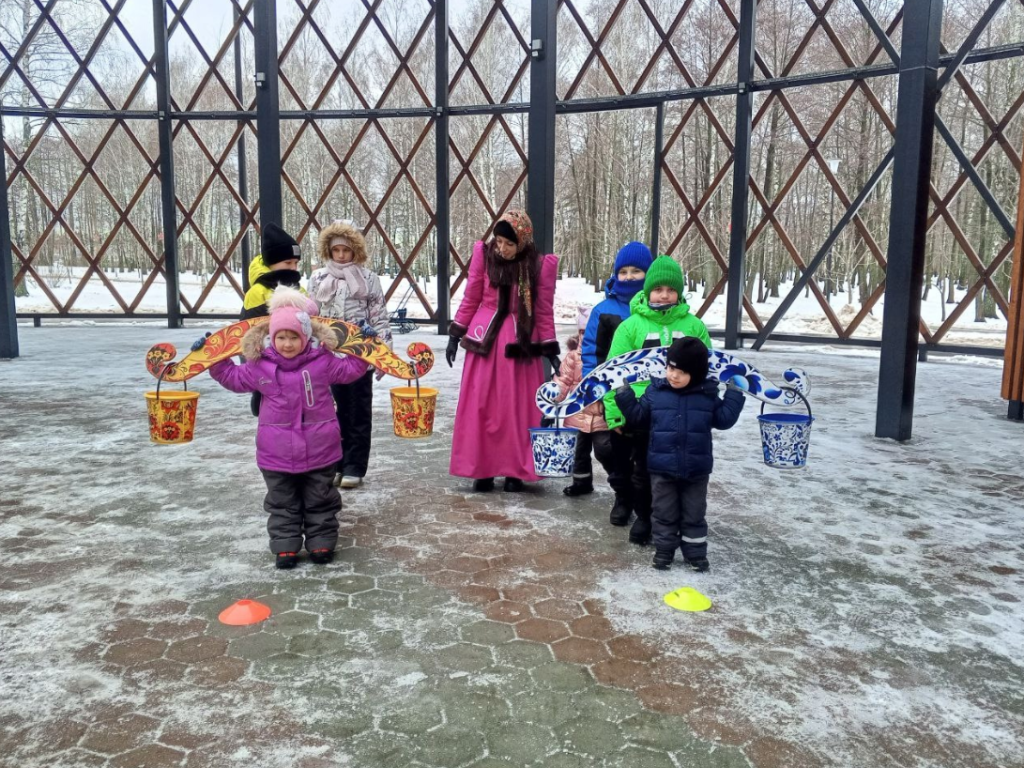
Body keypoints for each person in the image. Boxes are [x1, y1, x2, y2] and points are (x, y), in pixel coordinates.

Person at [209, 287, 369, 569]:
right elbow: (233, 378)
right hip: (276, 452)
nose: (287, 343)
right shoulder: (259, 365)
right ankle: (285, 546)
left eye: (293, 337)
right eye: (281, 337)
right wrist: (215, 357)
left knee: (321, 499)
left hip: (321, 448)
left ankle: (321, 542)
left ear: (305, 337)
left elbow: (350, 371)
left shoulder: (323, 362)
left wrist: (364, 348)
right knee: (282, 502)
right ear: (271, 337)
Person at [446, 209, 559, 492]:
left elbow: (543, 309)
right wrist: (455, 333)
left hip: (521, 345)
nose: (502, 248)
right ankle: (481, 469)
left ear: (522, 241)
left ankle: (514, 471)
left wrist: (550, 348)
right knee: (480, 405)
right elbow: (471, 296)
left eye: (509, 244)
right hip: (485, 342)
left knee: (516, 409)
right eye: (499, 242)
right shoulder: (484, 257)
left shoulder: (539, 265)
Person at [603, 255, 712, 546]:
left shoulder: (694, 326)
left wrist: (707, 405)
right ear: (648, 290)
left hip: (683, 413)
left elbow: (708, 369)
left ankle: (677, 519)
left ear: (679, 292)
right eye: (658, 289)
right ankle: (645, 517)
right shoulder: (631, 327)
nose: (664, 295)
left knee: (679, 472)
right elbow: (614, 374)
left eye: (671, 289)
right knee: (642, 472)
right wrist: (615, 413)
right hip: (643, 412)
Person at [614, 337, 744, 571]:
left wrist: (734, 395)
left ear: (696, 374)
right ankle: (664, 550)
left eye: (682, 372)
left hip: (696, 469)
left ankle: (695, 554)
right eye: (671, 368)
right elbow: (638, 417)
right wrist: (624, 394)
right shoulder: (656, 391)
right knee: (663, 512)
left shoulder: (706, 395)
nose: (674, 375)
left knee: (694, 513)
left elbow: (723, 420)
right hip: (662, 468)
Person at [309, 220, 393, 489]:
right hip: (328, 355)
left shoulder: (368, 278)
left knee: (358, 411)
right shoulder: (319, 278)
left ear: (355, 250)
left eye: (347, 250)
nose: (342, 255)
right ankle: (334, 463)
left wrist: (383, 352)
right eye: (337, 251)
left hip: (359, 356)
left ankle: (355, 465)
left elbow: (378, 314)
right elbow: (310, 315)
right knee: (330, 411)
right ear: (329, 251)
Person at [576, 242, 653, 516]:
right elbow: (591, 355)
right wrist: (593, 392)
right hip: (612, 393)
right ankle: (623, 494)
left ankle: (646, 495)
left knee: (645, 448)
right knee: (607, 447)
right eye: (623, 271)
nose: (629, 276)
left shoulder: (655, 310)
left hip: (649, 394)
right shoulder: (603, 310)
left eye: (636, 271)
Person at [240, 223, 305, 417]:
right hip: (268, 366)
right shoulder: (257, 292)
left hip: (298, 363)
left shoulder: (299, 290)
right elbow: (249, 333)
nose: (293, 268)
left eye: (296, 263)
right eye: (288, 263)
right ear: (271, 263)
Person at [553, 307, 595, 496]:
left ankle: (620, 482)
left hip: (601, 415)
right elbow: (563, 381)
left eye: (592, 331)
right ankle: (581, 482)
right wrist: (552, 400)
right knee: (580, 451)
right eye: (583, 332)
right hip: (577, 413)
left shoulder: (607, 356)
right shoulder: (572, 357)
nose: (587, 336)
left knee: (606, 449)